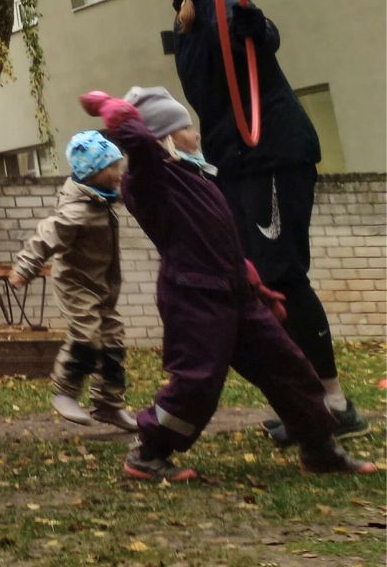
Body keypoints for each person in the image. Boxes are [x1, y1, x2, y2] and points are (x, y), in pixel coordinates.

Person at [79, 87, 375, 481]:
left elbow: (223, 241)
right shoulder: (150, 179)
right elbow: (139, 144)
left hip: (235, 293)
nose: (195, 134)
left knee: (289, 366)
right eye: (185, 127)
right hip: (195, 296)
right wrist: (114, 111)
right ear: (164, 137)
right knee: (197, 381)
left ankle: (320, 448)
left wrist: (254, 283)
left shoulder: (197, 177)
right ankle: (148, 453)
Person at [140, 0, 365, 442]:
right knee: (260, 282)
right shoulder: (188, 13)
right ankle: (309, 405)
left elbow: (262, 36)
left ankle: (333, 405)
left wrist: (257, 28)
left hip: (268, 154)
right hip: (238, 160)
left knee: (280, 277)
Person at [10, 130, 135, 432]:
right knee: (87, 333)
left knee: (114, 340)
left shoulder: (103, 199)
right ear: (93, 172)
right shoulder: (77, 210)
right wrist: (24, 268)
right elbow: (45, 236)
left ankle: (108, 404)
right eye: (113, 167)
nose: (120, 172)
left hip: (102, 287)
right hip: (75, 285)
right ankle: (65, 391)